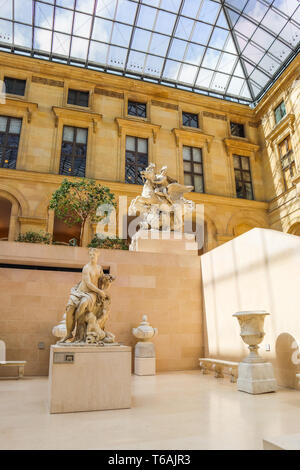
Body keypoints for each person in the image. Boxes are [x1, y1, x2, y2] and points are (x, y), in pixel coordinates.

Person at [61, 248, 106, 343]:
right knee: (69, 308)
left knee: (84, 303)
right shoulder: (86, 268)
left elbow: (102, 280)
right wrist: (99, 291)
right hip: (79, 292)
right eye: (90, 255)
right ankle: (69, 333)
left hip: (91, 294)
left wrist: (107, 280)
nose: (92, 256)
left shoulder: (99, 268)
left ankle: (78, 323)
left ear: (97, 256)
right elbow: (88, 283)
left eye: (94, 255)